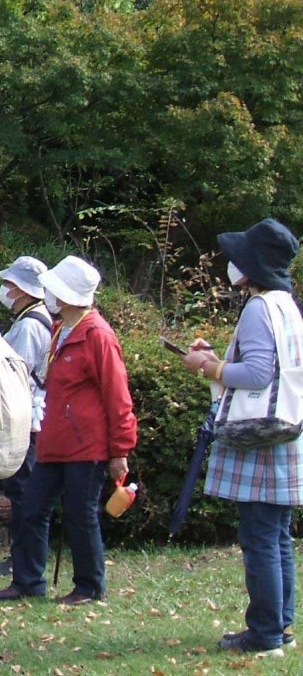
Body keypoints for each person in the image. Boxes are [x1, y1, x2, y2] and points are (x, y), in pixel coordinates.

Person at [181, 218, 303, 656]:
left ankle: (265, 633)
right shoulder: (286, 304)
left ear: (250, 267)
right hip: (286, 431)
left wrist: (209, 368)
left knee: (259, 538)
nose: (230, 264)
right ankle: (280, 628)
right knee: (276, 535)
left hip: (259, 438)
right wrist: (218, 359)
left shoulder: (257, 307)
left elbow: (255, 372)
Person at [0, 255, 136, 606]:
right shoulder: (61, 329)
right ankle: (27, 580)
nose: (48, 293)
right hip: (55, 440)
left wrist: (120, 449)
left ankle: (89, 585)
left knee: (80, 514)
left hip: (87, 444)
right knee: (32, 507)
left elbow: (117, 394)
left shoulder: (96, 334)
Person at [0, 256, 54, 576]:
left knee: (23, 493)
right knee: (22, 491)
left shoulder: (31, 325)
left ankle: (24, 561)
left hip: (26, 416)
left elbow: (13, 371)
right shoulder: (34, 318)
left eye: (8, 285)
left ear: (21, 289)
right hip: (31, 413)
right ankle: (21, 558)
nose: (4, 290)